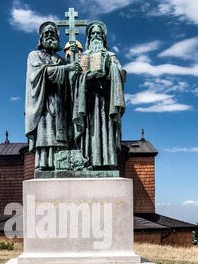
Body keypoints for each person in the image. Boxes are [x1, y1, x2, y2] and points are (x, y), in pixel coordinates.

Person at [25, 22, 81, 170]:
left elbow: (71, 82)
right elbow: (42, 73)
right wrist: (66, 68)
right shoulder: (34, 55)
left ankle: (61, 164)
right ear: (41, 37)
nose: (49, 35)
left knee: (60, 135)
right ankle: (44, 164)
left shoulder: (61, 59)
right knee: (46, 133)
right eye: (46, 33)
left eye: (52, 33)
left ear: (57, 37)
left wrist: (73, 59)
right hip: (43, 103)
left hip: (60, 103)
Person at [72, 21, 126, 169]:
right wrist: (90, 75)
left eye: (98, 34)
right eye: (93, 34)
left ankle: (107, 162)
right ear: (89, 38)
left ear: (103, 37)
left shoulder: (110, 55)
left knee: (105, 129)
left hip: (105, 99)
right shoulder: (84, 57)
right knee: (90, 131)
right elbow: (76, 79)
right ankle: (87, 161)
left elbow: (121, 74)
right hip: (88, 101)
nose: (96, 36)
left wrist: (110, 67)